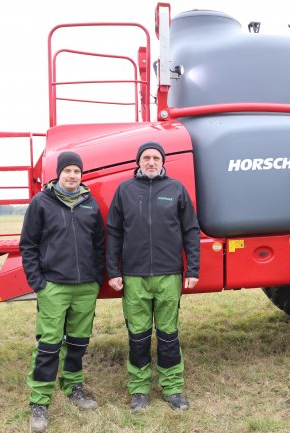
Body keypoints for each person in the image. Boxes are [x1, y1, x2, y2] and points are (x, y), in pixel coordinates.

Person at [106, 141, 200, 411]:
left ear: (163, 161)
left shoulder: (176, 189)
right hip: (134, 277)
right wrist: (113, 271)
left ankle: (172, 388)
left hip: (168, 275)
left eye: (155, 157)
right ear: (138, 161)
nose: (150, 162)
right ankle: (139, 390)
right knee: (138, 335)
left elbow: (191, 231)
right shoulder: (124, 190)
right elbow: (113, 232)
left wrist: (192, 269)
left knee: (168, 333)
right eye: (145, 157)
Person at [20, 151, 105, 432]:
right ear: (58, 174)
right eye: (67, 170)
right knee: (49, 344)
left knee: (79, 342)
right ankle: (39, 401)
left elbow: (99, 245)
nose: (72, 176)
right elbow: (28, 245)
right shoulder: (41, 203)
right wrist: (38, 282)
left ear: (82, 175)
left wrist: (96, 278)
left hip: (84, 287)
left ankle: (73, 388)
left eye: (77, 171)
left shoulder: (90, 204)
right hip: (54, 286)